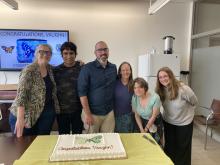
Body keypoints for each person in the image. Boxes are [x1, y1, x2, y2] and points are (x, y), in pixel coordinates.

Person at [9, 44, 60, 137]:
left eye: (47, 52)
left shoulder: (50, 69)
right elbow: (21, 96)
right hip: (26, 114)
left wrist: (78, 63)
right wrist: (20, 119)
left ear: (51, 55)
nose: (44, 54)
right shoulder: (29, 70)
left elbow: (63, 68)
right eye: (41, 52)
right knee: (24, 145)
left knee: (42, 143)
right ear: (36, 54)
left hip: (46, 113)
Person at [155, 67, 198, 165]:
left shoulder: (183, 89)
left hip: (184, 123)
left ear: (170, 76)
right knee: (170, 147)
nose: (163, 79)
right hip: (168, 121)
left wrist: (188, 114)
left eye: (165, 76)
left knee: (182, 149)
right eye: (160, 77)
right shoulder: (160, 90)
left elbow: (195, 102)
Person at [78, 41, 117, 133]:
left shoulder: (113, 68)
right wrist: (87, 114)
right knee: (92, 142)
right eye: (100, 50)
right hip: (92, 113)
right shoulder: (87, 68)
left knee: (108, 141)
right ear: (95, 53)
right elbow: (82, 93)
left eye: (105, 49)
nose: (103, 52)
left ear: (108, 51)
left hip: (109, 114)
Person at [53, 42, 83, 134]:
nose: (69, 56)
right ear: (62, 55)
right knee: (63, 137)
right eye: (65, 53)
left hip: (78, 110)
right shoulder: (56, 70)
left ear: (75, 54)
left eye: (71, 53)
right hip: (62, 112)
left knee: (78, 137)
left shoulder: (82, 68)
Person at [132, 77, 163, 144]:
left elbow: (154, 116)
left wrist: (145, 129)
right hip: (142, 122)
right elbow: (136, 115)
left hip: (155, 122)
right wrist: (141, 129)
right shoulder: (134, 97)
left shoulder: (155, 97)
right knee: (143, 143)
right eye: (135, 88)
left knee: (154, 144)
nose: (137, 90)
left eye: (140, 87)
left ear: (145, 88)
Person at [114, 62, 134, 133]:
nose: (126, 72)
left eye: (128, 70)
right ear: (120, 72)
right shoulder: (114, 83)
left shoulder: (134, 84)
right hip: (115, 117)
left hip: (129, 117)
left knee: (128, 140)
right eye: (123, 70)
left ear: (130, 71)